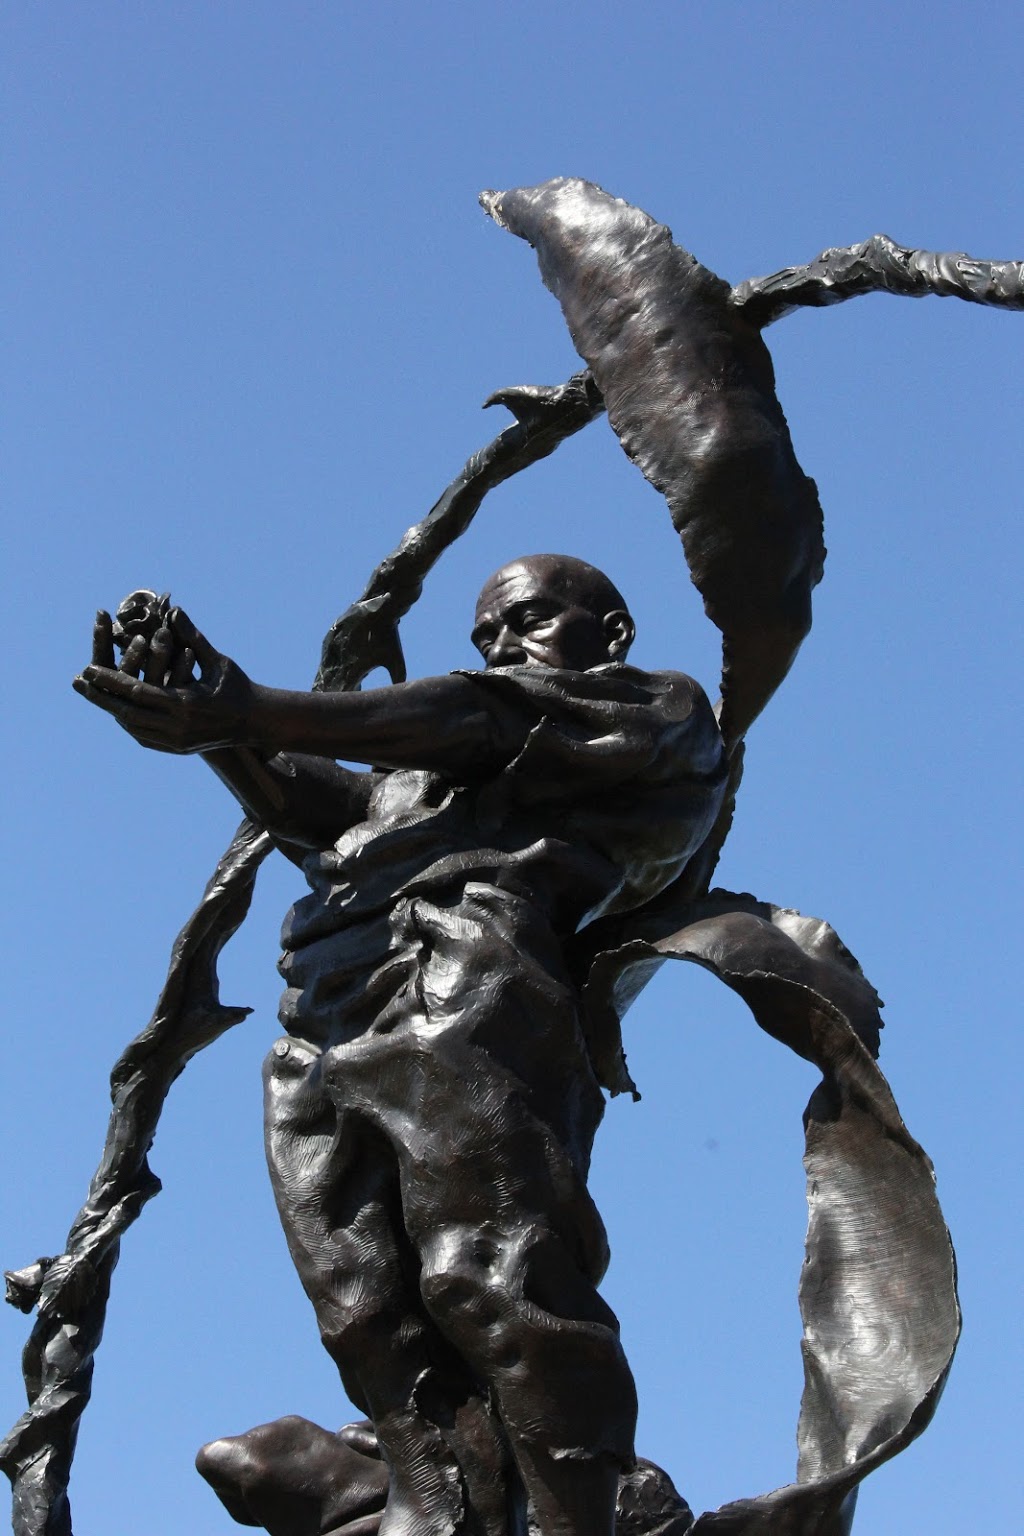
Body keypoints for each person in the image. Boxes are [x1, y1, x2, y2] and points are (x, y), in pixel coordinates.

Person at [75, 554, 727, 1536]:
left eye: (528, 619)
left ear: (612, 630)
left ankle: (579, 1520)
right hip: (326, 1003)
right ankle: (432, 1515)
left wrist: (249, 706)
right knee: (364, 1311)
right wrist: (212, 725)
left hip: (466, 971)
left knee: (491, 1280)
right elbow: (334, 818)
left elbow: (484, 716)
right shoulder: (435, 771)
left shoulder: (655, 709)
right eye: (487, 635)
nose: (502, 642)